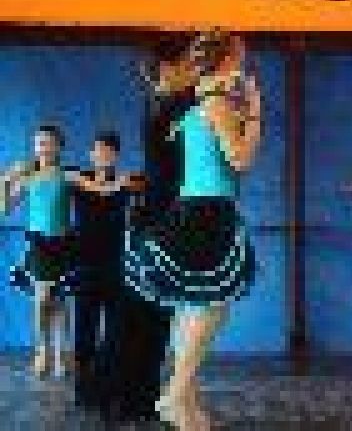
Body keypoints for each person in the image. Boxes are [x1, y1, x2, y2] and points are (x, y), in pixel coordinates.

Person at [124, 29, 260, 430]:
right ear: (229, 58)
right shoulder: (212, 101)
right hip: (207, 210)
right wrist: (256, 113)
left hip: (198, 207)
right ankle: (174, 394)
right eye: (241, 54)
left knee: (196, 307)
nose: (245, 61)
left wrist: (239, 106)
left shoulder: (202, 98)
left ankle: (183, 398)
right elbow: (240, 159)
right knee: (210, 307)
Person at [69, 133, 146, 417]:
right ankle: (83, 389)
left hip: (115, 266)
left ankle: (107, 387)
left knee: (115, 331)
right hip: (84, 266)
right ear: (91, 154)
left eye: (109, 152)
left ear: (116, 156)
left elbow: (148, 194)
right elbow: (98, 190)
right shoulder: (77, 177)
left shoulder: (129, 182)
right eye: (99, 150)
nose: (103, 155)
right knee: (84, 330)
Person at [2, 124, 76, 377]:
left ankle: (62, 351)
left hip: (63, 243)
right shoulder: (28, 177)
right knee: (42, 297)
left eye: (49, 142)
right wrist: (5, 181)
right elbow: (5, 209)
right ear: (34, 147)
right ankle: (42, 349)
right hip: (39, 243)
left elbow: (92, 195)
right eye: (39, 143)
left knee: (61, 300)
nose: (43, 147)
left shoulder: (67, 175)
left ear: (59, 147)